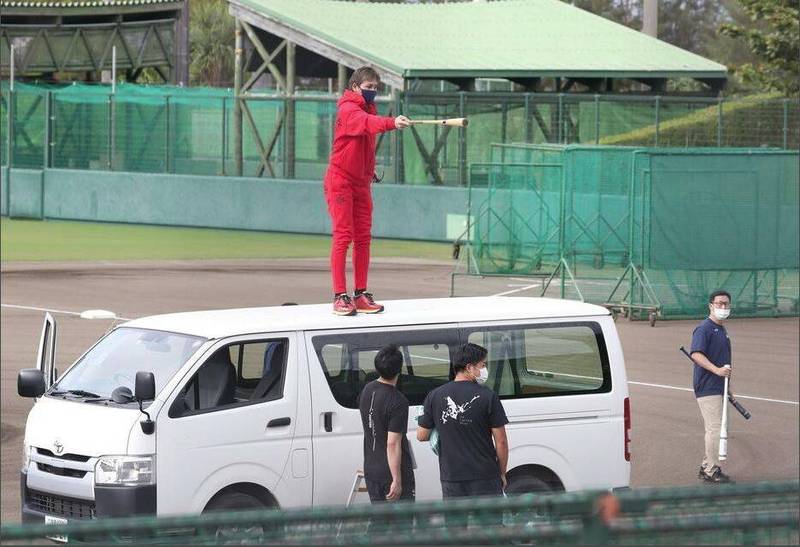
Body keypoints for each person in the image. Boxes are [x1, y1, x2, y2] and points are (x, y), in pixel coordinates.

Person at [324, 66, 411, 316]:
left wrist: (367, 170)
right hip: (340, 180)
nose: (372, 92)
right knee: (343, 235)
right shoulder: (349, 109)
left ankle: (360, 294)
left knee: (363, 237)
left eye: (375, 88)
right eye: (368, 87)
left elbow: (365, 142)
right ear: (355, 87)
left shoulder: (367, 108)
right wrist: (392, 123)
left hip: (361, 182)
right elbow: (367, 125)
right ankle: (340, 295)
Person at [417, 343, 509, 510]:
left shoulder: (435, 396)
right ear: (469, 367)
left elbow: (421, 435)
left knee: (455, 530)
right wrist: (502, 473)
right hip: (485, 476)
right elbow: (501, 441)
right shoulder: (488, 396)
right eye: (482, 365)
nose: (484, 369)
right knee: (489, 529)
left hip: (452, 477)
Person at [358, 344, 416, 503]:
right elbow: (392, 444)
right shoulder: (398, 401)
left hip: (371, 468)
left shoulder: (367, 389)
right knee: (401, 524)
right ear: (399, 369)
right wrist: (397, 480)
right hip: (390, 472)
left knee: (379, 522)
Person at [690, 290, 734, 484]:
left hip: (719, 386)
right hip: (707, 386)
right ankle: (711, 469)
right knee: (714, 429)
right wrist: (716, 371)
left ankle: (706, 465)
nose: (723, 307)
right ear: (710, 305)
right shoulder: (704, 329)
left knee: (718, 427)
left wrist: (727, 386)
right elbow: (696, 354)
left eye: (726, 304)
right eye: (719, 303)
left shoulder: (722, 330)